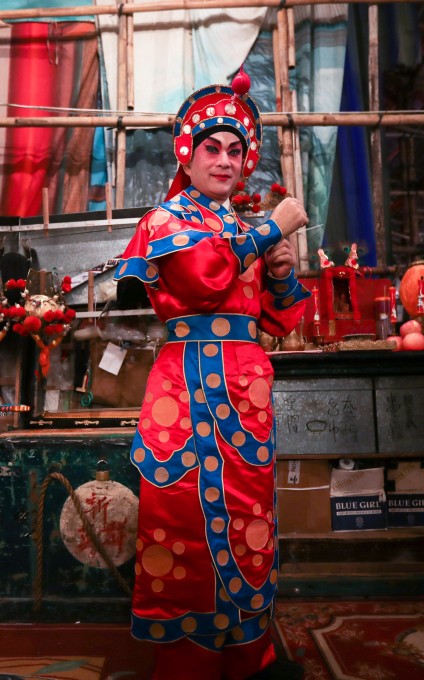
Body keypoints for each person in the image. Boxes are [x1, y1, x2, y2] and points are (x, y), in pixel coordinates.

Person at [113, 68, 309, 679]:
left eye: (235, 150)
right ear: (188, 155)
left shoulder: (241, 227)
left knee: (252, 523)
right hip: (187, 387)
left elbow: (279, 319)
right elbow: (202, 281)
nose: (224, 160)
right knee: (182, 523)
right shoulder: (166, 219)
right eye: (211, 148)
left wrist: (278, 269)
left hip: (246, 388)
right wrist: (274, 228)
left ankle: (252, 660)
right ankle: (186, 669)